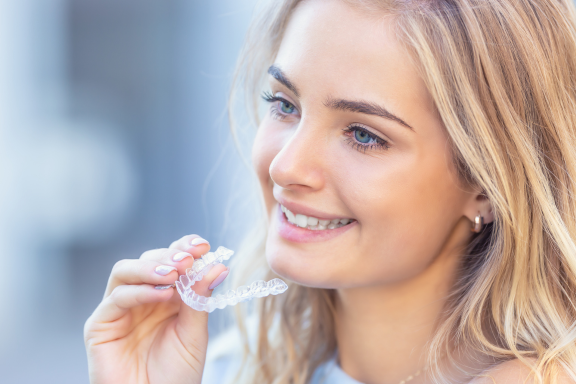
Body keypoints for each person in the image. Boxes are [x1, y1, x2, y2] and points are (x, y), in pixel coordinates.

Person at [84, 0, 576, 383]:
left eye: (364, 134)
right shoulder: (222, 369)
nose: (285, 166)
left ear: (487, 185)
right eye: (284, 105)